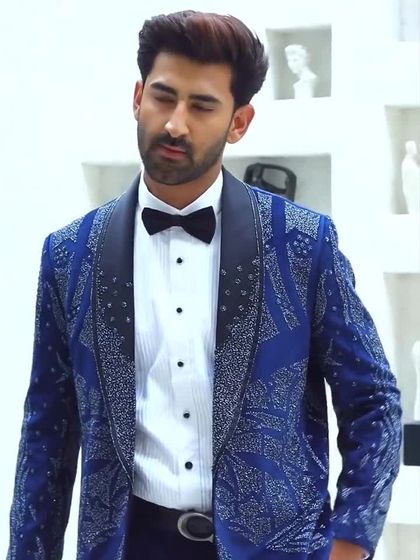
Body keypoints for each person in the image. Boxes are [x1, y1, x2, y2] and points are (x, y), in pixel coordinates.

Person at [7, 10, 401, 560]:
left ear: (239, 122)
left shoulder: (302, 243)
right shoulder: (71, 254)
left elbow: (373, 403)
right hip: (126, 547)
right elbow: (46, 434)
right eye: (163, 97)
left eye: (202, 106)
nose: (175, 124)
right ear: (138, 97)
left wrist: (350, 545)